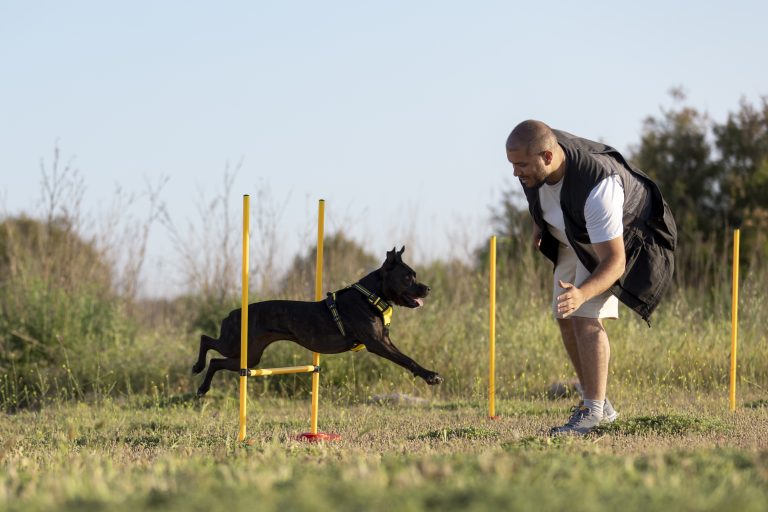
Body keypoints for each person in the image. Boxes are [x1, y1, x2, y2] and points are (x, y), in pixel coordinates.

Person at [505, 120, 676, 435]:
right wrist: (540, 223)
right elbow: (542, 193)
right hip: (575, 231)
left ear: (547, 156)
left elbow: (614, 262)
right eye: (512, 164)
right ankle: (596, 404)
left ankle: (594, 414)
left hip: (615, 240)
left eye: (521, 165)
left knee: (584, 314)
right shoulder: (535, 161)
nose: (516, 173)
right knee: (564, 313)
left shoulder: (598, 189)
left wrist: (583, 293)